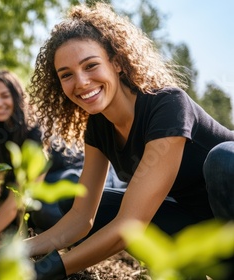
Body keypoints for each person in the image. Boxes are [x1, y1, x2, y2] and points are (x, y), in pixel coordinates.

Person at [19, 3, 234, 279]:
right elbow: (80, 219)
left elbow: (130, 224)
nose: (82, 82)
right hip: (204, 231)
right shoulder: (98, 127)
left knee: (223, 159)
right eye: (67, 75)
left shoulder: (167, 104)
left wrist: (44, 272)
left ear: (117, 62)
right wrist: (14, 253)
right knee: (79, 201)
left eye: (91, 65)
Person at [0, 69, 90, 241]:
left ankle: (76, 238)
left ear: (17, 96)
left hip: (76, 178)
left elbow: (21, 197)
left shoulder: (36, 131)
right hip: (42, 182)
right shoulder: (1, 132)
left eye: (4, 95)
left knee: (41, 208)